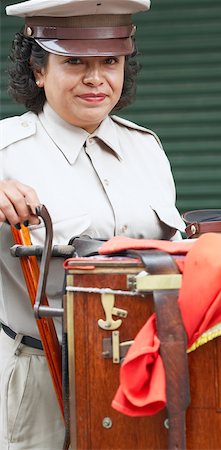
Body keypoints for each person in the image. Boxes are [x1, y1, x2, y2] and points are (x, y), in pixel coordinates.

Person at [0, 0, 185, 447]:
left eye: (110, 61)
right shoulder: (6, 151)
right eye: (74, 62)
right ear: (39, 70)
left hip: (142, 370)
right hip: (41, 375)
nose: (95, 78)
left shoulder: (147, 148)